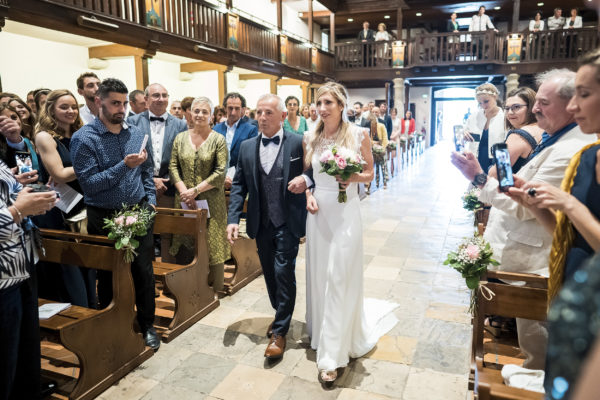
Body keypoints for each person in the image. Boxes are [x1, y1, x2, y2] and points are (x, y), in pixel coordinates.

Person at [451, 68, 595, 370]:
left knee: (537, 337)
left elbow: (526, 207)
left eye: (541, 102)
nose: (534, 108)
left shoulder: (568, 147)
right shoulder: (551, 136)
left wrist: (478, 177)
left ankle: (536, 373)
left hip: (537, 257)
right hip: (525, 241)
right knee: (530, 334)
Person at [506, 51, 600, 399]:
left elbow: (574, 215)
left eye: (584, 95)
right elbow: (567, 235)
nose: (574, 106)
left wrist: (570, 205)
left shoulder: (579, 148)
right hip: (574, 274)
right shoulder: (587, 155)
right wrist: (531, 204)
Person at [303, 82, 397, 383]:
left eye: (328, 102)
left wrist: (350, 176)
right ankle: (322, 334)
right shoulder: (311, 136)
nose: (322, 108)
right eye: (319, 102)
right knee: (319, 276)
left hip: (346, 213)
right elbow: (309, 176)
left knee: (339, 276)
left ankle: (333, 354)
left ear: (341, 105)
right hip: (318, 214)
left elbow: (369, 172)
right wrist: (308, 195)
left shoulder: (359, 134)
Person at [70, 78, 160, 351]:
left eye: (124, 103)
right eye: (114, 103)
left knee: (143, 272)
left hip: (138, 210)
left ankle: (147, 325)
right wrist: (123, 165)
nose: (121, 109)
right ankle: (111, 324)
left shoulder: (135, 132)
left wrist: (151, 201)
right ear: (99, 101)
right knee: (109, 274)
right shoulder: (84, 138)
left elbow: (147, 170)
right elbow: (90, 183)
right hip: (103, 214)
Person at [226, 93, 310, 360]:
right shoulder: (247, 146)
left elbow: (312, 172)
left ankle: (280, 332)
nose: (262, 118)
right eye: (259, 112)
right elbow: (239, 184)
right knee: (271, 275)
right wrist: (232, 219)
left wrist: (305, 180)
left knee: (284, 271)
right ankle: (280, 314)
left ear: (283, 116)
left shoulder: (298, 143)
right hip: (261, 223)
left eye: (268, 113)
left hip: (288, 220)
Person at [0, 160, 57, 400]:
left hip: (16, 266)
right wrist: (17, 210)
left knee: (18, 357)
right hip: (3, 278)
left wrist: (21, 193)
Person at [35, 89, 96, 307]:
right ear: (50, 108)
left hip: (82, 202)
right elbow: (59, 173)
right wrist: (94, 166)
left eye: (73, 106)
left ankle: (90, 307)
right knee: (69, 265)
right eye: (64, 107)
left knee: (86, 260)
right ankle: (76, 310)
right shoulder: (44, 136)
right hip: (58, 207)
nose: (70, 111)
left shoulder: (81, 133)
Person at [169, 97, 230, 293]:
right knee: (186, 239)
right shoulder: (180, 138)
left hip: (211, 200)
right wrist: (184, 192)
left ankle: (214, 288)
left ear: (211, 116)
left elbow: (220, 172)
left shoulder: (218, 140)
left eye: (204, 111)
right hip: (184, 200)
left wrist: (195, 190)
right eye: (196, 111)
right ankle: (188, 288)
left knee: (212, 241)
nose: (200, 115)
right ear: (190, 113)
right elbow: (173, 166)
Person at [127, 83, 187, 210]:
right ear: (146, 99)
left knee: (168, 228)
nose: (161, 99)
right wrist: (151, 181)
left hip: (169, 189)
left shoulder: (180, 125)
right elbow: (129, 154)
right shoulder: (133, 122)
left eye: (164, 95)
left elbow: (183, 159)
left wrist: (164, 180)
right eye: (156, 95)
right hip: (141, 189)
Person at [489, 87, 542, 176]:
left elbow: (497, 174)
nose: (510, 112)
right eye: (507, 108)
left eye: (516, 107)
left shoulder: (517, 136)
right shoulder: (542, 128)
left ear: (531, 107)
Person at [213, 92, 258, 189]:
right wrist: (221, 177)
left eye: (237, 108)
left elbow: (250, 159)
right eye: (230, 108)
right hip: (218, 180)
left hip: (241, 181)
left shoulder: (251, 129)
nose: (233, 112)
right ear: (225, 108)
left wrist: (233, 177)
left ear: (243, 109)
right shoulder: (216, 129)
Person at [464, 83, 505, 174]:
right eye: (480, 103)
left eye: (486, 101)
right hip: (478, 158)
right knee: (477, 186)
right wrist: (465, 134)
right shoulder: (474, 117)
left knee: (498, 186)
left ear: (495, 97)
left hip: (500, 159)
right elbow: (465, 133)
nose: (483, 106)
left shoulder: (505, 117)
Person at [0, 104, 40, 180]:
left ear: (20, 120)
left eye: (14, 117)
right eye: (2, 120)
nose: (10, 121)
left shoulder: (29, 142)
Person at [370, 108, 389, 189]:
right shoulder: (369, 124)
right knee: (376, 166)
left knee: (383, 165)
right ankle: (376, 183)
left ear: (379, 113)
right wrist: (373, 144)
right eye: (373, 112)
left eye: (376, 112)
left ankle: (385, 182)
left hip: (381, 147)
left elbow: (385, 137)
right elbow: (368, 137)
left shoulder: (381, 125)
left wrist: (383, 148)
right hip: (373, 147)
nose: (374, 113)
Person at [389, 107, 401, 175]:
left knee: (396, 152)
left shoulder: (398, 120)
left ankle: (396, 167)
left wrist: (394, 136)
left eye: (394, 112)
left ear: (396, 113)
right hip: (389, 136)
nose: (393, 113)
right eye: (392, 112)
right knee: (390, 153)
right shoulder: (389, 119)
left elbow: (399, 130)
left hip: (396, 137)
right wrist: (390, 136)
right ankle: (391, 168)